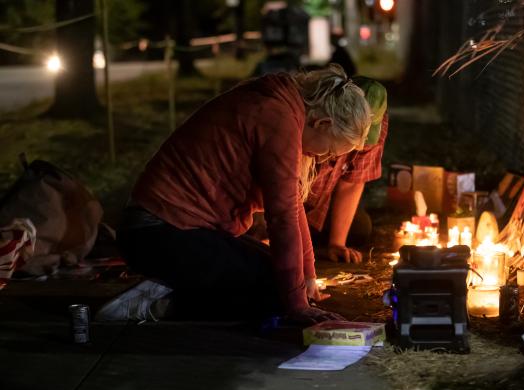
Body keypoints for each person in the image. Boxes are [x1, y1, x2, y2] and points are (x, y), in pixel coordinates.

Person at [98, 65, 372, 324]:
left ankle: (168, 285)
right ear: (322, 123)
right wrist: (298, 305)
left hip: (169, 229)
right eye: (329, 151)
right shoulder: (278, 117)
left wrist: (307, 275)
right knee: (276, 293)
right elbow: (282, 217)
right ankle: (159, 304)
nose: (322, 157)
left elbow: (292, 204)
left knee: (279, 275)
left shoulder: (284, 106)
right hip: (158, 234)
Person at [305, 77, 388, 263]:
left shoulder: (378, 127)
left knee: (359, 228)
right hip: (291, 199)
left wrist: (337, 243)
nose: (358, 147)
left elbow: (353, 182)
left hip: (320, 204)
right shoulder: (312, 124)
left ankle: (310, 241)